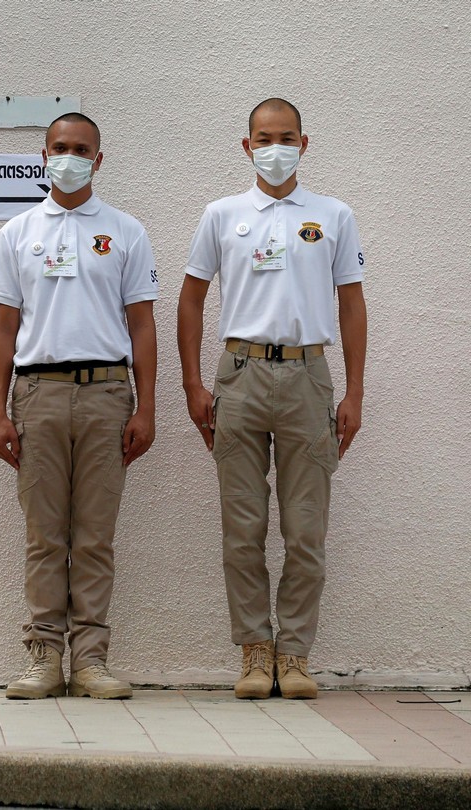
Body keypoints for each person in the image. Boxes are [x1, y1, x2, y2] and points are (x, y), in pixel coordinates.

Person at [177, 98, 366, 701]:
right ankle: (254, 651)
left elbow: (352, 303)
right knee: (243, 526)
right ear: (246, 145)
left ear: (304, 144)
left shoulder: (333, 215)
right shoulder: (222, 214)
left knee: (306, 529)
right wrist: (192, 384)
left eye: (286, 137)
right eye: (264, 137)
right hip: (241, 375)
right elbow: (190, 299)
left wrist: (354, 391)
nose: (275, 147)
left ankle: (295, 654)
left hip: (309, 376)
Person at [0, 113, 158, 701]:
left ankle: (90, 659)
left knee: (93, 535)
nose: (69, 157)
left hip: (108, 393)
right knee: (43, 534)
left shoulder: (126, 231)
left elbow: (142, 324)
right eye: (60, 147)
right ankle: (42, 658)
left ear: (99, 159)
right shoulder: (16, 233)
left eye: (81, 149)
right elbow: (3, 326)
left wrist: (146, 408)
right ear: (43, 154)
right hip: (36, 393)